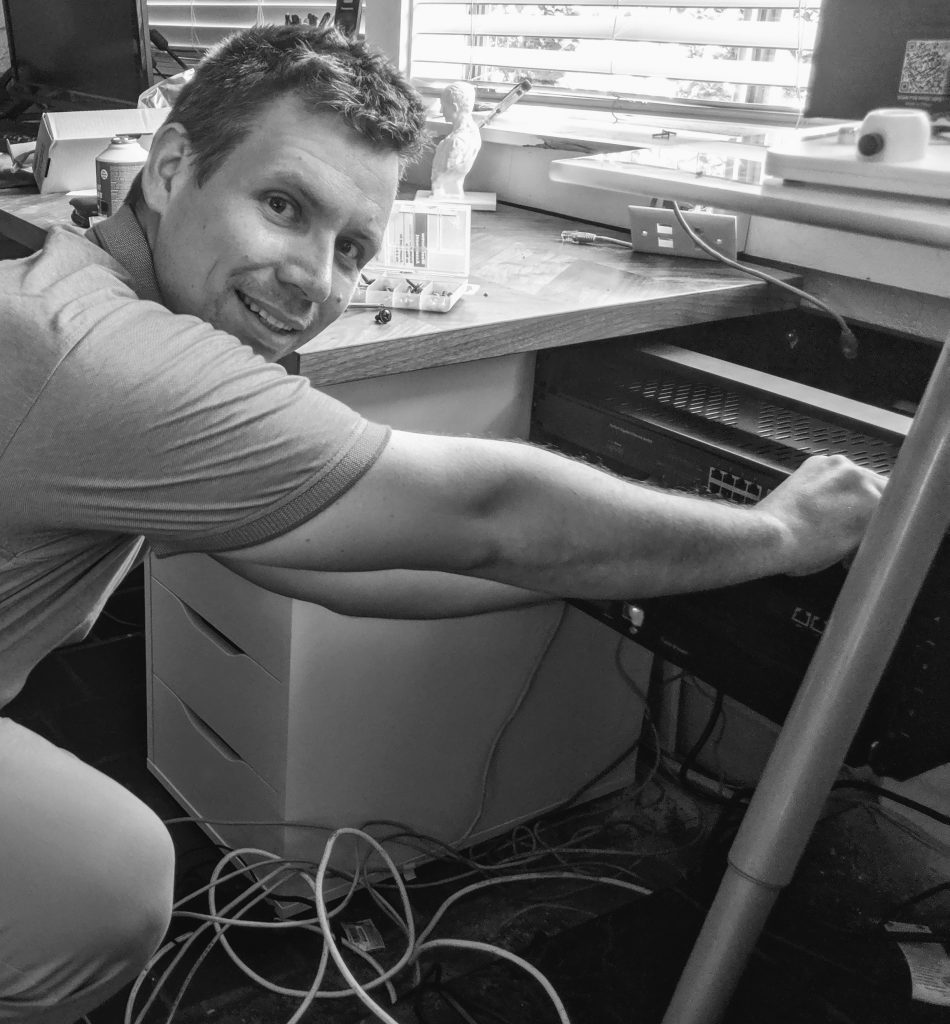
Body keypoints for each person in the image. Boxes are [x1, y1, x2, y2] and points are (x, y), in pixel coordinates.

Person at [0, 23, 885, 1024]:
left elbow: (306, 557)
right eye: (282, 205)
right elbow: (489, 513)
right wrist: (777, 534)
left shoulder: (72, 281)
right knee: (105, 887)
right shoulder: (109, 359)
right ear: (168, 170)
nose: (312, 279)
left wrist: (596, 578)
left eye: (351, 248)